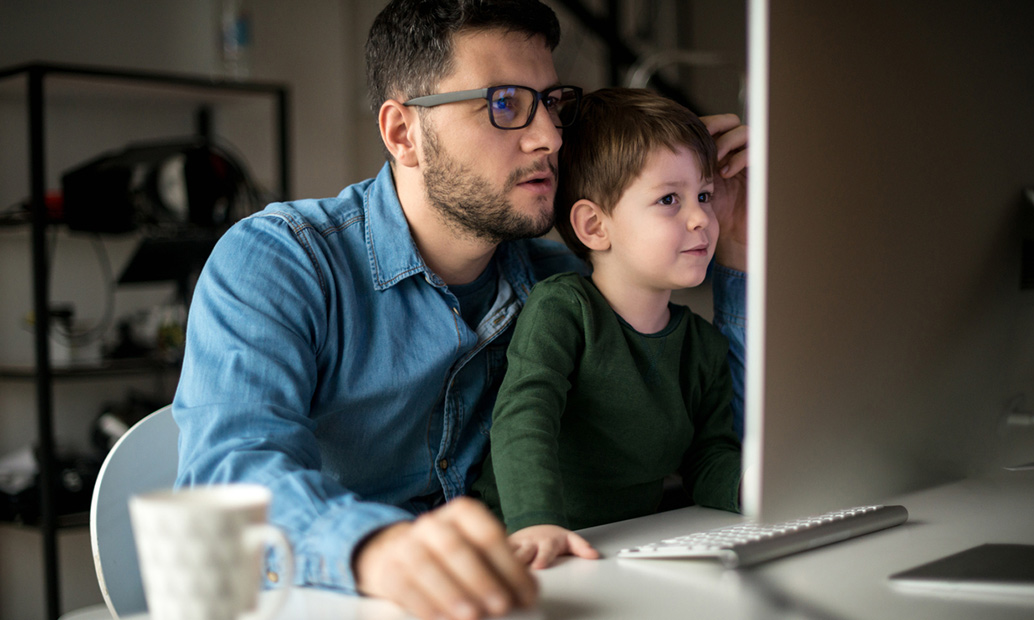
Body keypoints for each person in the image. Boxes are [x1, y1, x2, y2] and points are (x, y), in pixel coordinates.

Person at [172, 1, 749, 619]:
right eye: (504, 104)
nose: (550, 137)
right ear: (403, 133)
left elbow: (724, 435)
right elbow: (228, 477)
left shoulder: (564, 284)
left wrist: (736, 249)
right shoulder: (285, 261)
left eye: (552, 103)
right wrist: (377, 548)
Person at [471, 88, 742, 569]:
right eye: (669, 200)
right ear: (594, 226)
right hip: (522, 552)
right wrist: (536, 522)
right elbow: (524, 416)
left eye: (703, 195)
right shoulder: (563, 309)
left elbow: (708, 458)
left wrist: (758, 489)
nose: (702, 217)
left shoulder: (701, 345)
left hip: (620, 553)